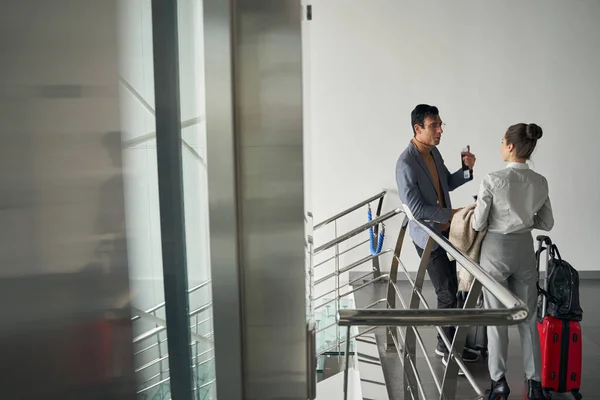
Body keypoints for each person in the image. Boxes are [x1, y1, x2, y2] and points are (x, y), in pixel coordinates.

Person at [472, 123, 554, 400]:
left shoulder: (493, 179)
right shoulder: (540, 181)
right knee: (528, 318)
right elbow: (548, 222)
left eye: (502, 141)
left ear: (509, 145)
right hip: (524, 249)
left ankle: (498, 383)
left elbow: (478, 222)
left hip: (495, 250)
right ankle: (534, 383)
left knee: (497, 319)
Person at [396, 104, 479, 365]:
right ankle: (445, 348)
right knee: (446, 292)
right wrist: (452, 214)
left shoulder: (434, 153)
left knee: (453, 290)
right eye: (435, 126)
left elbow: (447, 183)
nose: (440, 130)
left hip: (446, 232)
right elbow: (418, 210)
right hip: (428, 237)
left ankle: (451, 343)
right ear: (417, 128)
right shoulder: (406, 163)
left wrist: (466, 169)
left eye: (441, 124)